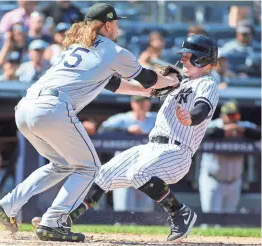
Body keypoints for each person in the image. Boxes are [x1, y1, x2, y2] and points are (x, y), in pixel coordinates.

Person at [0, 3, 179, 242]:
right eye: (116, 23)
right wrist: (171, 81)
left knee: (61, 164)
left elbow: (111, 84)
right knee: (89, 168)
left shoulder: (77, 46)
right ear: (107, 25)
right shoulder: (114, 50)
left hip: (26, 107)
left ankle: (7, 205)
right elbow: (148, 78)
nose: (118, 27)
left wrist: (147, 93)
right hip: (52, 109)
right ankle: (53, 222)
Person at [32, 35, 219, 243]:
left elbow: (203, 108)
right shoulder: (180, 83)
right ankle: (65, 220)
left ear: (201, 59)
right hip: (152, 147)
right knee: (101, 175)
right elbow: (134, 85)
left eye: (187, 56)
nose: (182, 59)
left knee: (139, 173)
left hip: (177, 151)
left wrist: (190, 117)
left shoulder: (207, 83)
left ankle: (179, 212)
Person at [199, 101, 261, 213]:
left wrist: (243, 131)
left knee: (229, 220)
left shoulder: (243, 126)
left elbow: (258, 133)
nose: (233, 118)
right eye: (229, 115)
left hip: (234, 181)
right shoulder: (214, 125)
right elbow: (204, 133)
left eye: (235, 115)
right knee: (210, 220)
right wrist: (225, 131)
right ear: (222, 115)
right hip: (213, 180)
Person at [99, 95, 156, 212]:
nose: (142, 105)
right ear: (132, 104)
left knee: (145, 210)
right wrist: (126, 131)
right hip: (123, 167)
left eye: (144, 102)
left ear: (149, 104)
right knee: (123, 209)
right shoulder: (123, 119)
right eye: (138, 102)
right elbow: (102, 130)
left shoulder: (155, 118)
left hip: (146, 167)